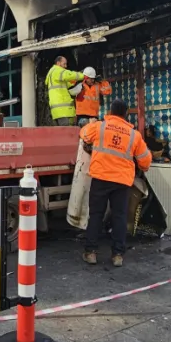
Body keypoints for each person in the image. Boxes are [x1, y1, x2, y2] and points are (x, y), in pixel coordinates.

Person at [79, 99, 152, 267]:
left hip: (101, 178)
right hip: (121, 181)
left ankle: (90, 253)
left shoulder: (100, 126)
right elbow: (145, 161)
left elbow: (83, 134)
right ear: (126, 114)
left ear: (110, 112)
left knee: (96, 215)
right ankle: (117, 255)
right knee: (119, 217)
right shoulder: (134, 135)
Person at [45, 56, 87, 126]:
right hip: (63, 110)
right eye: (64, 64)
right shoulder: (57, 71)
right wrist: (83, 75)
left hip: (57, 111)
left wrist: (76, 82)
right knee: (66, 132)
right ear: (58, 63)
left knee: (60, 134)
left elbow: (69, 83)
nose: (66, 66)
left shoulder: (53, 74)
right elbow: (69, 75)